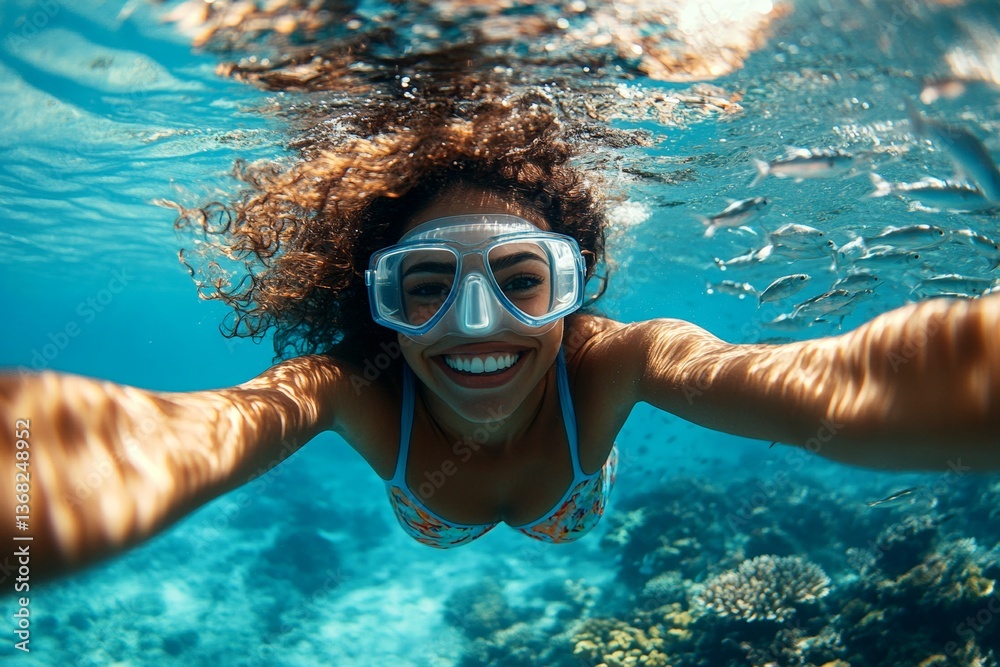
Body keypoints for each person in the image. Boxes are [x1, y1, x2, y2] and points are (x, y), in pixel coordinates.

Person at [2, 92, 998, 583]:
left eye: (523, 281)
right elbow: (175, 436)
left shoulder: (619, 361)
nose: (477, 325)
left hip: (570, 501)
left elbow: (837, 387)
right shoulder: (351, 384)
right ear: (374, 303)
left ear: (575, 290)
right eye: (423, 285)